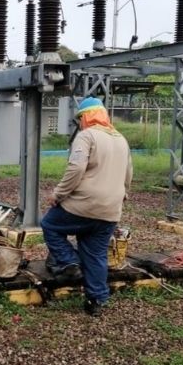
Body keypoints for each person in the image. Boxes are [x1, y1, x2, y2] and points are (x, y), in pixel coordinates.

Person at [41, 97, 133, 317]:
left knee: (50, 225)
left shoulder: (87, 136)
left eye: (80, 118)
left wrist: (58, 194)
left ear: (86, 117)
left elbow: (76, 168)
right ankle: (97, 300)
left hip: (84, 204)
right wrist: (122, 194)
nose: (80, 123)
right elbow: (128, 173)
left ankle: (70, 262)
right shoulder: (121, 139)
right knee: (96, 253)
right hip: (110, 209)